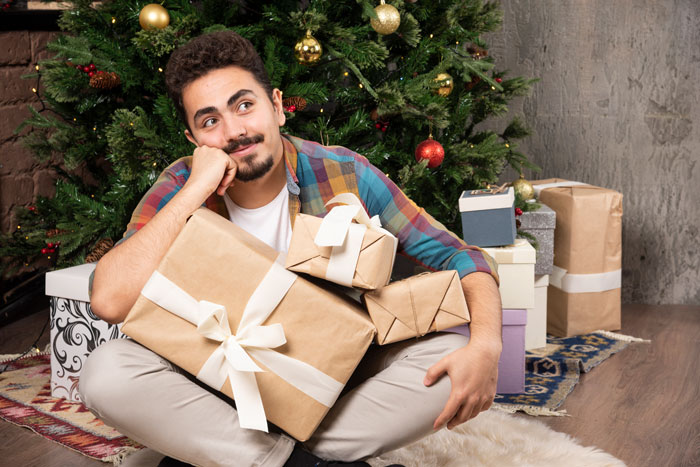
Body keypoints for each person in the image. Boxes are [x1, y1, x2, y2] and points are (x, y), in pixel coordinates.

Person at [79, 30, 503, 467]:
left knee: (450, 359)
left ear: (277, 107)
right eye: (209, 122)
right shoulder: (181, 185)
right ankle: (301, 463)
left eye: (244, 105)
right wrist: (193, 192)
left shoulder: (342, 173)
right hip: (215, 386)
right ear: (193, 139)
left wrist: (487, 346)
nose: (234, 131)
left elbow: (461, 257)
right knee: (105, 374)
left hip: (329, 381)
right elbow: (109, 299)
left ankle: (251, 459)